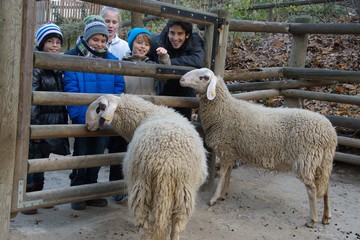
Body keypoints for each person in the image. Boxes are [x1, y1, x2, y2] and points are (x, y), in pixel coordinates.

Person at [63, 16, 125, 210]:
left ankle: (91, 191)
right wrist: (80, 116)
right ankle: (77, 191)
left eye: (103, 40)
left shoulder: (112, 61)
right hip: (83, 117)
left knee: (98, 153)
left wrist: (109, 116)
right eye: (95, 39)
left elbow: (118, 87)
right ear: (87, 38)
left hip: (105, 119)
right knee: (81, 154)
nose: (99, 44)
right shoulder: (74, 59)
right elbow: (70, 89)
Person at [107, 27, 171, 204]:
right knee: (120, 149)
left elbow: (166, 76)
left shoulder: (152, 65)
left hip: (146, 115)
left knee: (143, 153)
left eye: (146, 44)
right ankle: (117, 188)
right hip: (126, 115)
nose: (142, 46)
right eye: (139, 42)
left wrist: (164, 58)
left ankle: (141, 188)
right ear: (131, 43)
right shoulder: (122, 63)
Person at [22, 23, 70, 215]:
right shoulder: (37, 67)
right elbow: (32, 99)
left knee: (42, 160)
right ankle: (27, 198)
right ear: (41, 43)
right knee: (33, 160)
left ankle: (37, 196)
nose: (55, 45)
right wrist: (35, 127)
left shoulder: (57, 68)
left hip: (52, 120)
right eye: (50, 41)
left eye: (58, 42)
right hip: (39, 121)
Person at [100, 6, 131, 203]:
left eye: (114, 22)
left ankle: (116, 186)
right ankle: (89, 189)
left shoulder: (123, 46)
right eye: (107, 21)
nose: (110, 25)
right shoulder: (91, 39)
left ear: (119, 24)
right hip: (98, 95)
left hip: (117, 99)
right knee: (97, 143)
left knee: (118, 144)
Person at [149, 20, 205, 120]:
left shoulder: (194, 40)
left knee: (183, 127)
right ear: (168, 31)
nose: (175, 38)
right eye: (172, 33)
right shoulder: (157, 41)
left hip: (185, 95)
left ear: (187, 35)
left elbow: (198, 61)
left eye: (180, 34)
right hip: (162, 93)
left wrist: (168, 62)